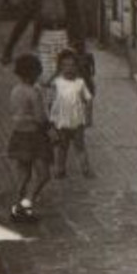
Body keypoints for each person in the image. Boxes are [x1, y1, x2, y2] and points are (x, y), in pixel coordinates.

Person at [1, 0, 87, 85]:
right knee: (46, 77)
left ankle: (61, 104)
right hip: (44, 39)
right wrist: (9, 48)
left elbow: (77, 22)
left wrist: (80, 47)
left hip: (65, 38)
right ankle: (47, 103)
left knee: (65, 76)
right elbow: (22, 23)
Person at [7, 53, 52, 223]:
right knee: (43, 175)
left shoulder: (15, 90)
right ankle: (27, 204)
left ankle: (17, 207)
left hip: (19, 135)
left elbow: (14, 113)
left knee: (23, 174)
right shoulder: (33, 93)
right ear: (33, 73)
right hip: (35, 136)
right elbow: (41, 118)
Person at [49, 49, 95, 179]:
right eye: (65, 65)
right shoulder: (57, 82)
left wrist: (89, 117)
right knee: (62, 148)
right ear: (60, 67)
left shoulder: (80, 83)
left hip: (77, 121)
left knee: (80, 146)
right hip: (62, 121)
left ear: (77, 67)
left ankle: (86, 169)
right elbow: (52, 102)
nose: (69, 69)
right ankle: (60, 170)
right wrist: (52, 121)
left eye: (72, 65)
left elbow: (89, 99)